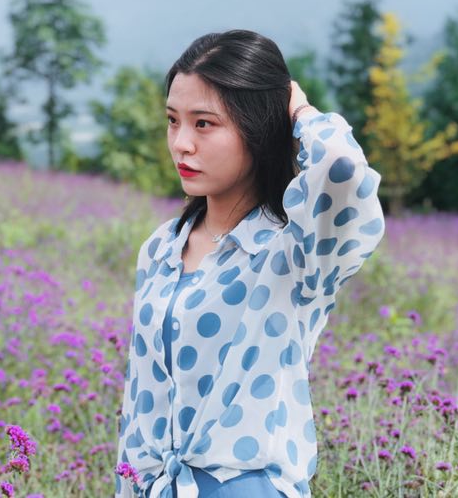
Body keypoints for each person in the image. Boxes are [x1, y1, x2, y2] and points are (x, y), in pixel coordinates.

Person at [114, 30, 386, 498]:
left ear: (257, 130)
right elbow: (139, 408)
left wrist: (297, 109)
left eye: (204, 124)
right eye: (173, 121)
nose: (181, 143)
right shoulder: (160, 249)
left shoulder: (295, 253)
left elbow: (342, 168)